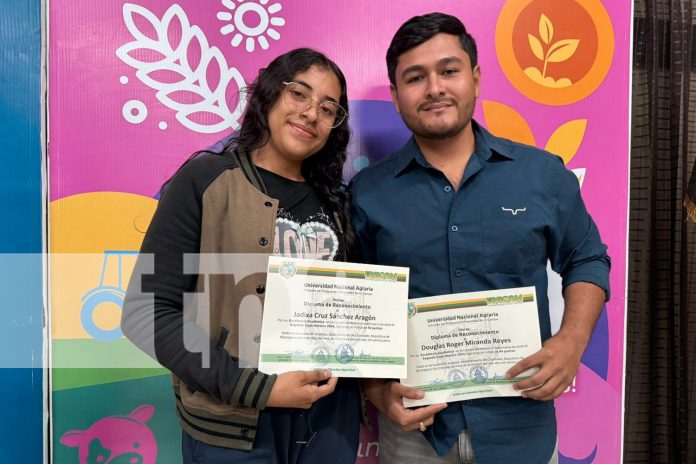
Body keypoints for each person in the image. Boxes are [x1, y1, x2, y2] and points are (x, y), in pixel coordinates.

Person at [350, 13, 610, 464]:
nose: (434, 88)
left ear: (474, 77)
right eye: (415, 77)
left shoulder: (542, 174)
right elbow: (359, 304)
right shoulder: (369, 192)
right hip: (416, 431)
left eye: (449, 71)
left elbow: (587, 259)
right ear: (396, 95)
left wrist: (571, 342)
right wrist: (375, 390)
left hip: (520, 426)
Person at [122, 48, 361, 464]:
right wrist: (257, 388)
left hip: (328, 425)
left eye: (328, 108)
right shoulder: (205, 180)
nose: (310, 113)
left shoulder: (338, 203)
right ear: (269, 94)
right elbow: (146, 312)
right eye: (299, 94)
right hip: (231, 428)